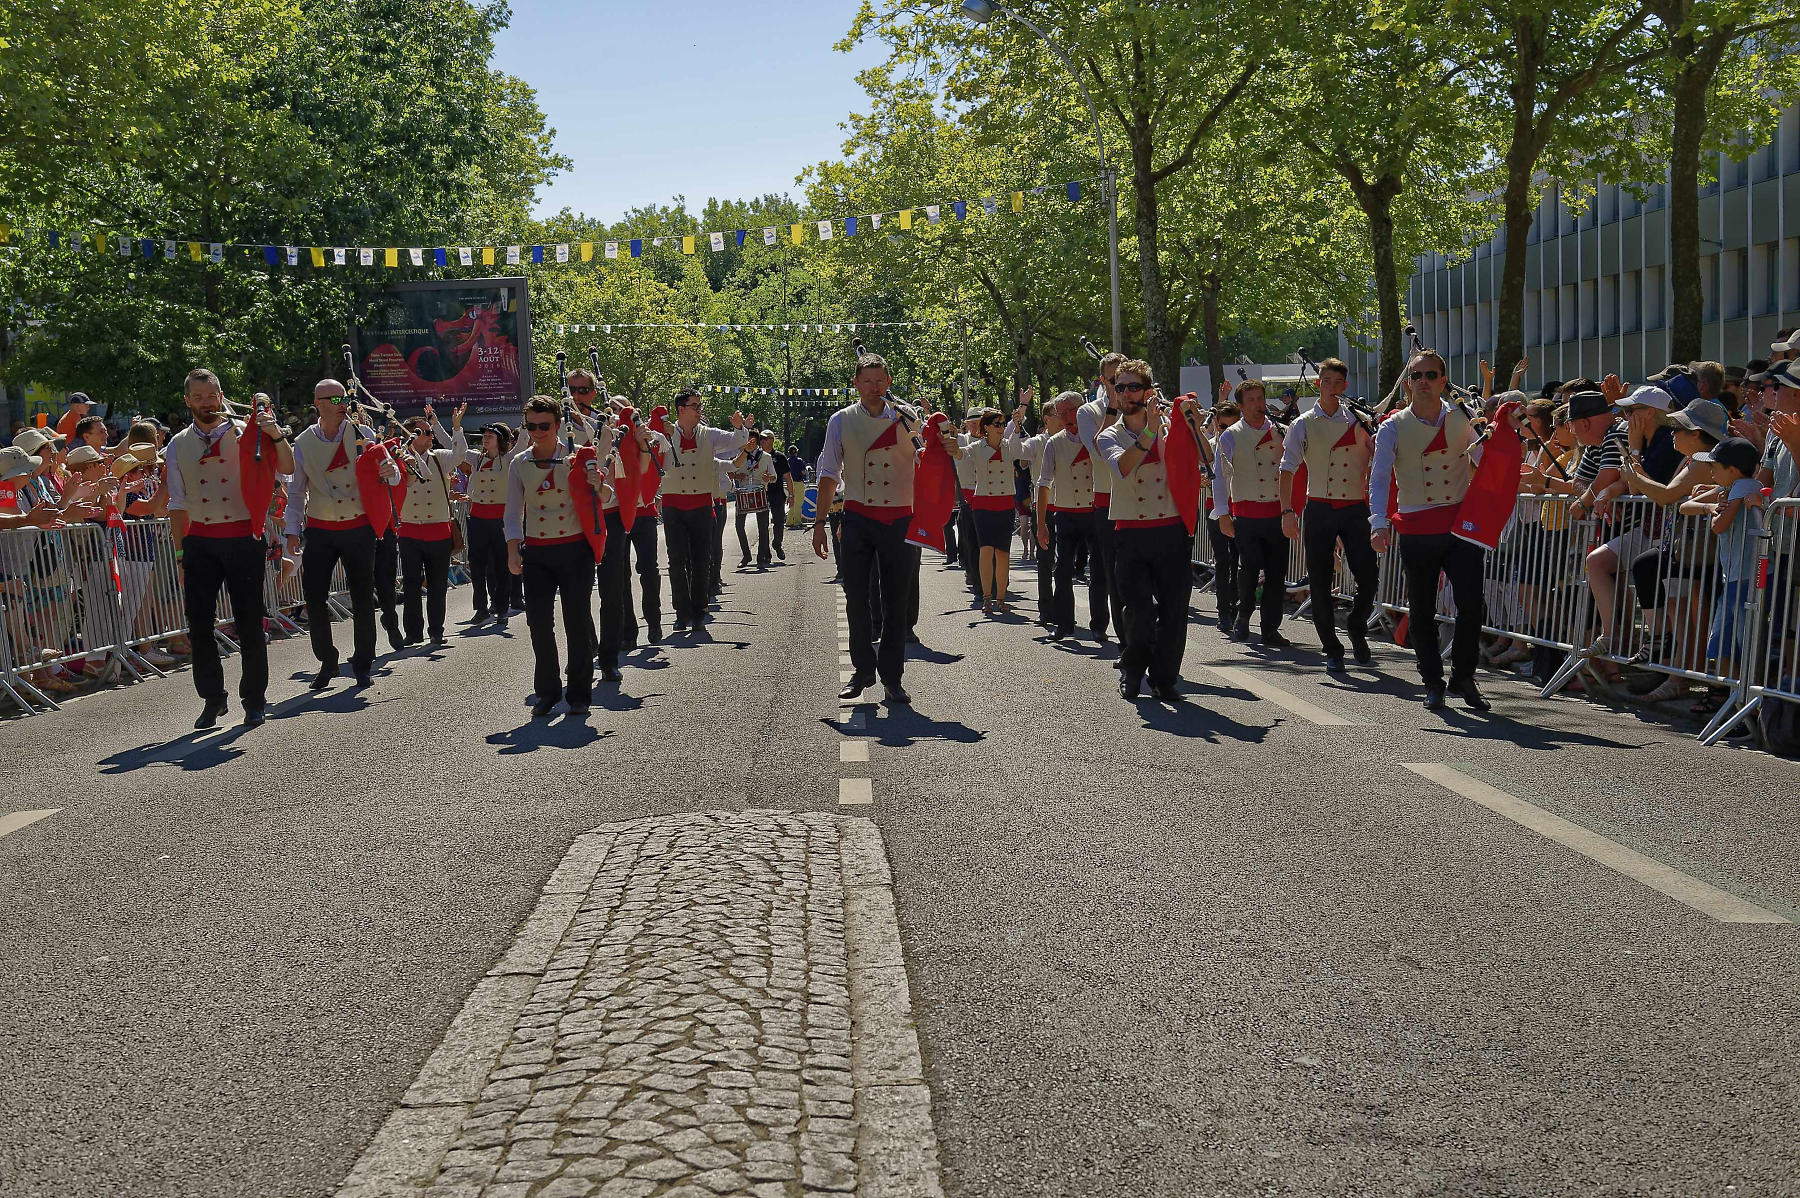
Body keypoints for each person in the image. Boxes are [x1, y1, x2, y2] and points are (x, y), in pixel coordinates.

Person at [166, 367, 294, 727]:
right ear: (188, 400)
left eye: (212, 395)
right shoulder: (176, 444)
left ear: (222, 396)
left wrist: (276, 433)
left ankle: (254, 698)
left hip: (242, 537)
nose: (206, 403)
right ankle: (212, 697)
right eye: (198, 397)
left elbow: (287, 467)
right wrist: (180, 555)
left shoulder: (247, 432)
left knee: (250, 621)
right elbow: (177, 504)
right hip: (201, 541)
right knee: (200, 625)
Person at [815, 352, 945, 704]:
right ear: (855, 384)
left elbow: (926, 461)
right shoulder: (840, 420)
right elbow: (829, 474)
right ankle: (861, 671)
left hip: (899, 518)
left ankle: (892, 677)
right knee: (855, 598)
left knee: (895, 602)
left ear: (889, 382)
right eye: (867, 381)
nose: (874, 387)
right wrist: (819, 523)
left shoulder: (907, 419)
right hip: (857, 517)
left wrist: (935, 451)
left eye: (880, 380)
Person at [1369, 350, 1489, 712]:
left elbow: (1486, 464)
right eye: (1416, 375)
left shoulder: (1463, 418)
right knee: (1422, 609)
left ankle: (1464, 676)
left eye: (1430, 374)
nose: (1423, 380)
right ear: (1408, 382)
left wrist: (1494, 439)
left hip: (1458, 526)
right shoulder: (1392, 426)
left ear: (1442, 380)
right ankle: (1432, 681)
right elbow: (1378, 477)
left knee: (1472, 604)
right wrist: (1378, 522)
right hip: (1417, 525)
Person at [1097, 360, 1202, 701]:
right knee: (1139, 611)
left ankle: (1164, 677)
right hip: (1132, 532)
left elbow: (1209, 457)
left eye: (1132, 387)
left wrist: (1194, 426)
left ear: (1148, 391)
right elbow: (1124, 467)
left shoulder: (1172, 428)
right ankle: (1132, 668)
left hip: (1171, 529)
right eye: (1119, 386)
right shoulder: (1109, 435)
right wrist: (1149, 432)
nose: (1125, 393)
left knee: (1174, 610)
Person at [284, 379, 399, 691]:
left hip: (358, 526)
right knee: (314, 598)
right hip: (320, 528)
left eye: (342, 398)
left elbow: (389, 465)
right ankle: (327, 659)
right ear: (317, 403)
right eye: (332, 399)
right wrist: (291, 533)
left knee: (363, 597)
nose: (340, 403)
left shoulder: (361, 432)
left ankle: (363, 663)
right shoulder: (303, 442)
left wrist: (391, 471)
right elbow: (295, 494)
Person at [505, 395, 614, 717]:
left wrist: (597, 483)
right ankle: (547, 692)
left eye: (544, 425)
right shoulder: (519, 463)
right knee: (538, 623)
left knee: (577, 622)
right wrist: (513, 548)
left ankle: (579, 693)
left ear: (557, 425)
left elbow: (607, 498)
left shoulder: (578, 457)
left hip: (574, 549)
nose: (537, 431)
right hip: (537, 551)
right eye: (531, 425)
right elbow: (512, 512)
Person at [1279, 358, 1377, 671]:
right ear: (1318, 383)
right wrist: (1287, 511)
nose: (1332, 387)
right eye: (1326, 381)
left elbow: (1380, 456)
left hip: (1354, 507)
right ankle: (1332, 649)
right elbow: (1287, 468)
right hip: (1319, 506)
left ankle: (1357, 625)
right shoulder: (1303, 422)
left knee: (1369, 578)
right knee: (1320, 581)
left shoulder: (1360, 421)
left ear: (1345, 386)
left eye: (1337, 382)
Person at [658, 391, 751, 631]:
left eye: (700, 406)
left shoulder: (709, 435)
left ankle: (699, 609)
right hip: (673, 505)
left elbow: (737, 440)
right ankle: (681, 612)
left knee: (702, 560)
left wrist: (740, 427)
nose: (700, 410)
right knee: (676, 561)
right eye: (695, 406)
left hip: (700, 504)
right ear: (680, 409)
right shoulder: (664, 434)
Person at [1212, 379, 1290, 648]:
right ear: (1242, 406)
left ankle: (1270, 628)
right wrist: (1222, 512)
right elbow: (1220, 477)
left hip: (1276, 511)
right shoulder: (1231, 435)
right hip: (1246, 513)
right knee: (1249, 568)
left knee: (1277, 573)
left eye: (1261, 398)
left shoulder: (1281, 431)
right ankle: (1243, 614)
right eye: (1252, 400)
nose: (1258, 405)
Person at [597, 408, 668, 681]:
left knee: (648, 570)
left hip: (644, 513)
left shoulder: (644, 436)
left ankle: (654, 619)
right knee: (620, 577)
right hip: (616, 515)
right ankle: (628, 632)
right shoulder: (607, 440)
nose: (616, 416)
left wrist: (644, 441)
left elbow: (657, 451)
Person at [393, 404, 468, 646]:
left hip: (438, 530)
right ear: (412, 435)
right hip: (410, 530)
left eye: (430, 432)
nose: (430, 436)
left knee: (437, 585)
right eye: (425, 432)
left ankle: (436, 630)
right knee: (412, 584)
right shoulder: (398, 459)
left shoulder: (439, 459)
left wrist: (455, 427)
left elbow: (460, 454)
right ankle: (413, 633)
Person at [1036, 391, 1094, 641]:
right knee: (1062, 570)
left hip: (1094, 512)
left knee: (1101, 572)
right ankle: (1063, 623)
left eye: (1071, 410)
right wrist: (1040, 524)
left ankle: (1101, 624)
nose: (1067, 417)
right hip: (1066, 514)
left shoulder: (1096, 436)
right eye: (1062, 413)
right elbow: (1044, 483)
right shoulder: (1054, 442)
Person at [963, 400, 1029, 615]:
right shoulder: (976, 447)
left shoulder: (1010, 445)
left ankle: (1001, 597)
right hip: (982, 504)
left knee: (1003, 552)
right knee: (986, 550)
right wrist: (946, 443)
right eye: (997, 424)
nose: (1001, 428)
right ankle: (987, 597)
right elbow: (959, 455)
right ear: (987, 427)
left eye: (1003, 424)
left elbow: (1020, 452)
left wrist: (1018, 426)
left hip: (1005, 504)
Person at [1075, 353, 1124, 644]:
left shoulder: (1142, 409)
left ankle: (1129, 633)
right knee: (1104, 566)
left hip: (1138, 499)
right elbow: (1099, 454)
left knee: (1129, 570)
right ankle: (1099, 621)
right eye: (1114, 379)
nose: (1121, 385)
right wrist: (1113, 409)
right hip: (1106, 497)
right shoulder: (1088, 412)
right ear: (1102, 381)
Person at [462, 422, 518, 623]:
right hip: (478, 517)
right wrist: (457, 427)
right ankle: (481, 608)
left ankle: (502, 607)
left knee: (502, 565)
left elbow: (523, 444)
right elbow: (455, 447)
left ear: (501, 440)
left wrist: (527, 424)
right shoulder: (476, 459)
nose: (485, 438)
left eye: (490, 435)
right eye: (484, 435)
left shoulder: (510, 459)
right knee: (477, 565)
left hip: (501, 518)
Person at [1203, 401, 1241, 633]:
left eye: (1232, 425)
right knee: (1223, 560)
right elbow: (1198, 471)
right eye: (1223, 425)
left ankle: (1237, 609)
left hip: (1239, 509)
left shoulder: (1243, 444)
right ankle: (1223, 612)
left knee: (1238, 561)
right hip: (1215, 510)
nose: (1226, 429)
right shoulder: (1209, 446)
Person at [735, 436, 777, 569]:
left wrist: (768, 478)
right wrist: (736, 476)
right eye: (748, 441)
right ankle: (746, 555)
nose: (750, 443)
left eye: (752, 441)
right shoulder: (740, 456)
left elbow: (774, 477)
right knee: (739, 525)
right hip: (743, 491)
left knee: (763, 527)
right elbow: (731, 472)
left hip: (760, 491)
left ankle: (761, 557)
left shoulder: (766, 457)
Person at [763, 432, 790, 560]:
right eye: (761, 438)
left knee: (779, 522)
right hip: (762, 493)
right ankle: (765, 552)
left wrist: (792, 495)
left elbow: (787, 477)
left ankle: (777, 544)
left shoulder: (780, 457)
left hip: (777, 493)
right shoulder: (757, 456)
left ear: (772, 440)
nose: (762, 441)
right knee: (763, 524)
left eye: (765, 438)